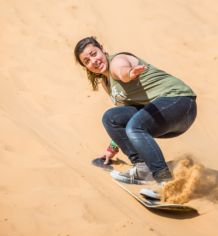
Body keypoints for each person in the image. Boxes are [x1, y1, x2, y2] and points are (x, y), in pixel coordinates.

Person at [74, 36, 197, 189]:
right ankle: (143, 169)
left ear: (102, 49)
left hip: (180, 103)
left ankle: (165, 181)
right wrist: (113, 148)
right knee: (111, 117)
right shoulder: (107, 84)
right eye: (87, 61)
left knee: (135, 127)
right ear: (86, 67)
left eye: (94, 54)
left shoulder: (116, 62)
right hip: (165, 118)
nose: (93, 61)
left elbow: (122, 72)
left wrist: (129, 73)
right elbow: (126, 120)